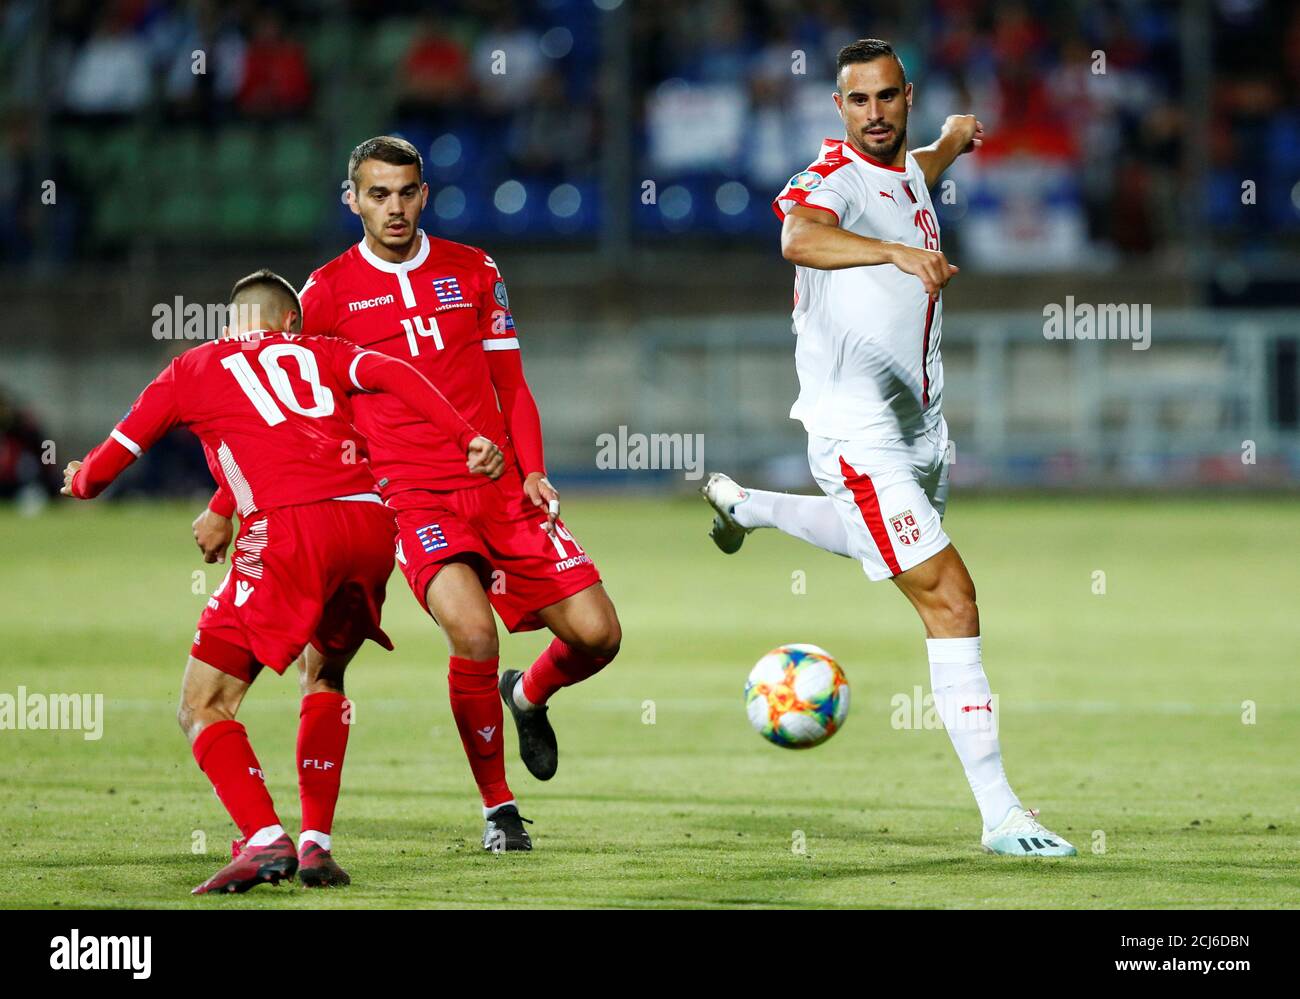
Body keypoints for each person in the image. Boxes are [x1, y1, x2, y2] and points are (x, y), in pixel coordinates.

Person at [701, 39, 1076, 858]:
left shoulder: (906, 164)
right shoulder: (831, 176)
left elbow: (921, 169)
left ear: (907, 96)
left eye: (886, 98)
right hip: (858, 433)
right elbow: (799, 237)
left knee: (874, 538)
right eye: (857, 101)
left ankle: (748, 506)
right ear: (838, 108)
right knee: (951, 597)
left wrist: (951, 138)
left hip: (918, 429)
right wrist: (894, 252)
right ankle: (1001, 813)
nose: (873, 114)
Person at [193, 138, 622, 852]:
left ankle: (529, 693)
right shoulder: (326, 292)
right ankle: (499, 810)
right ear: (352, 198)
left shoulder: (475, 269)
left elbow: (512, 386)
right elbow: (285, 409)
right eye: (379, 194)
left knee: (599, 634)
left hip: (498, 486)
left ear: (425, 194)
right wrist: (225, 501)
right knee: (473, 631)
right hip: (410, 497)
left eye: (407, 192)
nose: (395, 207)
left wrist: (534, 469)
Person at [63, 269, 504, 893]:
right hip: (371, 525)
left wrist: (80, 478)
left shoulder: (193, 367)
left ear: (229, 325)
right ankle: (318, 845)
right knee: (324, 672)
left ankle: (267, 839)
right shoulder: (322, 352)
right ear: (290, 323)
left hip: (291, 534)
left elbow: (110, 465)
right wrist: (467, 437)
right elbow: (393, 375)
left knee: (203, 704)